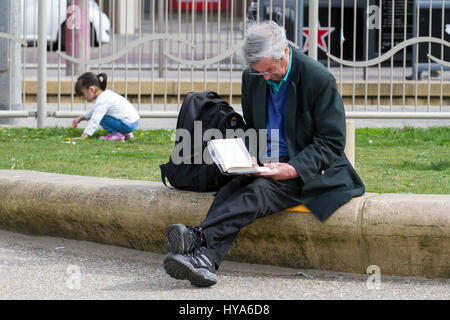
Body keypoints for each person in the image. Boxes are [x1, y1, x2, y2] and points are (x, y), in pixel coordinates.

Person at [163, 21, 365, 287]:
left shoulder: (318, 78)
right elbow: (255, 125)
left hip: (310, 168)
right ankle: (206, 260)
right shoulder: (253, 76)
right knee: (230, 191)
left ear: (284, 52)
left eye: (270, 70)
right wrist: (249, 155)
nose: (266, 78)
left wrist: (292, 168)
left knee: (257, 192)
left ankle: (197, 238)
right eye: (260, 73)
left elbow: (331, 141)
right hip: (266, 163)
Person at [72, 72, 140, 141]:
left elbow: (95, 119)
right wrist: (81, 118)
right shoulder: (106, 94)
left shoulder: (103, 100)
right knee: (98, 113)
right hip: (132, 122)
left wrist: (84, 136)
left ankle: (118, 135)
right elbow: (94, 109)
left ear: (91, 89)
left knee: (100, 116)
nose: (83, 98)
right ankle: (126, 134)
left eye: (83, 95)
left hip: (127, 125)